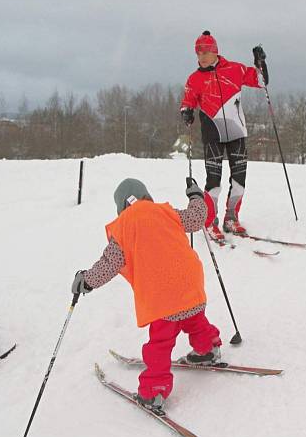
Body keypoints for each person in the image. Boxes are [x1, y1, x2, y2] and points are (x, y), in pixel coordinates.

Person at [71, 177, 222, 413]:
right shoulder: (165, 211)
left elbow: (110, 263)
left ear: (121, 206)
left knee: (160, 344)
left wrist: (87, 280)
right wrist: (195, 196)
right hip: (191, 283)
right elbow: (197, 218)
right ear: (146, 195)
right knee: (194, 319)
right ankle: (208, 348)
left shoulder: (123, 226)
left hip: (163, 296)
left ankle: (154, 390)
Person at [180, 30, 265, 240]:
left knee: (239, 180)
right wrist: (187, 112)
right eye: (198, 53)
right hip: (212, 135)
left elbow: (261, 81)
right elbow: (187, 101)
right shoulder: (194, 79)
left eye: (205, 52)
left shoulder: (235, 70)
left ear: (215, 51)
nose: (201, 57)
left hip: (236, 132)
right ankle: (210, 222)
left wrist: (260, 63)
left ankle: (231, 218)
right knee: (214, 182)